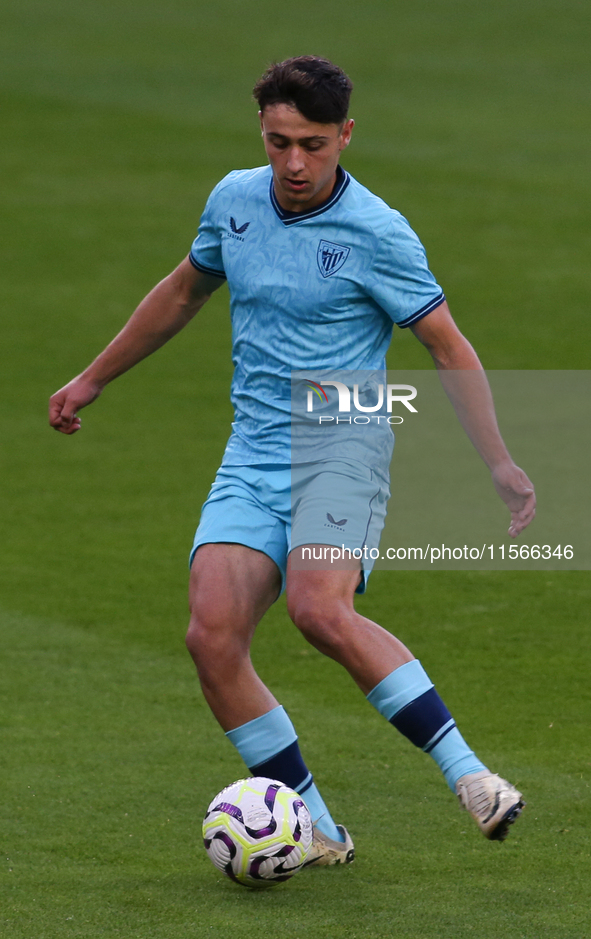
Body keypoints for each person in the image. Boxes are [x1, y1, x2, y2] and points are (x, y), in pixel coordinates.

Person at [49, 56, 535, 866]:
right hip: (253, 449)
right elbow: (181, 290)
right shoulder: (234, 200)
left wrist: (497, 460)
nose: (294, 164)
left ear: (344, 135)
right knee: (211, 634)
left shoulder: (378, 232)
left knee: (318, 608)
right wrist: (93, 376)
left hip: (341, 441)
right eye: (278, 143)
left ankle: (471, 777)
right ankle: (315, 826)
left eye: (312, 144)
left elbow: (445, 343)